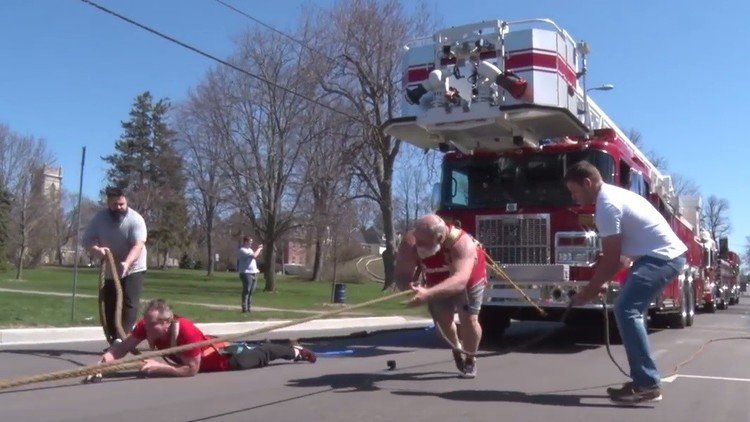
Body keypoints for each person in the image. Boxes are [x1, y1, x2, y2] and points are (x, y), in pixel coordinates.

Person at [564, 161, 687, 404]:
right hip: (658, 257)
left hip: (662, 258)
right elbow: (620, 258)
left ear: (587, 183)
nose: (573, 196)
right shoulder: (616, 196)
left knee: (625, 309)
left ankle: (648, 384)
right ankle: (643, 380)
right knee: (630, 310)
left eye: (574, 190)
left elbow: (611, 260)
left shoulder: (607, 206)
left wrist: (586, 293)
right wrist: (600, 282)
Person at [96, 299, 316, 377]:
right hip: (211, 344)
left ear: (166, 322)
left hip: (225, 359)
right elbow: (123, 348)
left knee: (264, 352)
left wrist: (159, 367)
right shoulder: (148, 325)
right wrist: (104, 363)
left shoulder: (186, 332)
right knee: (255, 347)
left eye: (153, 324)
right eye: (147, 323)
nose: (146, 329)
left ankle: (295, 351)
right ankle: (287, 347)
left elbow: (191, 370)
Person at [393, 214, 487, 378]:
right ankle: (457, 348)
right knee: (443, 320)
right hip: (436, 276)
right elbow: (402, 273)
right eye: (417, 239)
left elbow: (459, 281)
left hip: (468, 278)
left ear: (439, 237)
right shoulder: (411, 242)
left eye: (423, 242)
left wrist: (427, 293)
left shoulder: (462, 243)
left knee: (469, 319)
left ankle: (470, 359)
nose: (417, 245)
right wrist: (408, 287)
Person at [83, 186, 148, 343]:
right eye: (115, 205)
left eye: (122, 204)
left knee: (129, 303)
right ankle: (113, 338)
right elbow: (87, 241)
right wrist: (97, 250)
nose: (119, 208)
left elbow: (138, 245)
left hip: (133, 267)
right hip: (110, 268)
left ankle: (122, 337)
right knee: (110, 304)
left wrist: (127, 263)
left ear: (126, 202)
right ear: (108, 204)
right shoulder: (100, 219)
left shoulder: (135, 219)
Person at [237, 236, 263, 313]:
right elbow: (254, 256)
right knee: (247, 290)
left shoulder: (250, 250)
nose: (251, 243)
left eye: (251, 241)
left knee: (251, 291)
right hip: (246, 273)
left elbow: (255, 256)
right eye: (250, 241)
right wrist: (259, 248)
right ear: (245, 242)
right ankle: (244, 308)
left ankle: (249, 308)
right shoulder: (242, 250)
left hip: (254, 272)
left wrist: (259, 251)